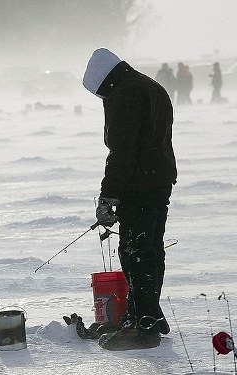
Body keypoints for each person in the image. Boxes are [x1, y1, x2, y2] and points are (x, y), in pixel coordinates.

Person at [82, 48, 177, 351]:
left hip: (139, 185)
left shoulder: (125, 95)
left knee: (136, 253)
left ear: (104, 81)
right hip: (159, 181)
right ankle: (147, 314)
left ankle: (142, 325)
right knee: (150, 249)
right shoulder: (150, 86)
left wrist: (109, 195)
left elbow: (122, 152)